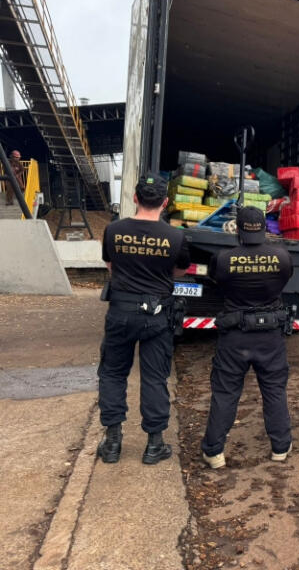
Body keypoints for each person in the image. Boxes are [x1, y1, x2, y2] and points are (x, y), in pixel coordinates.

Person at [97, 173, 191, 464]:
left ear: (135, 198)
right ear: (165, 202)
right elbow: (182, 271)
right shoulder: (175, 236)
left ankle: (112, 443)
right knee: (154, 377)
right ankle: (154, 445)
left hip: (120, 311)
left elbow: (111, 265)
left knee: (112, 373)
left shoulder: (113, 230)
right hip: (157, 314)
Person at [201, 206, 294, 467]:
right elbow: (285, 279)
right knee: (274, 390)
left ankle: (215, 452)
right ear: (264, 228)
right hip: (270, 336)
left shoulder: (222, 259)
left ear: (237, 229)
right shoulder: (283, 257)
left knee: (226, 393)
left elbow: (216, 281)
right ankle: (280, 448)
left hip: (235, 337)